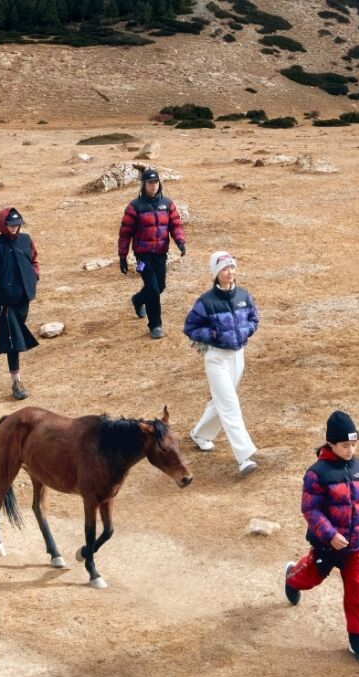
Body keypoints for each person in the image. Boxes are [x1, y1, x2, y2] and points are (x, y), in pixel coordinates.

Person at [282, 411, 359, 667]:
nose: (351, 450)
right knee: (309, 578)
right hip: (328, 545)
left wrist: (358, 533)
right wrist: (330, 534)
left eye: (354, 445)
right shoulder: (316, 473)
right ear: (331, 444)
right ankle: (292, 577)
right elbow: (310, 509)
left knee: (358, 591)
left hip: (355, 546)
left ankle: (358, 640)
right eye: (345, 445)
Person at [182, 251, 259, 477]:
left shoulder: (243, 295)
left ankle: (200, 433)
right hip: (216, 358)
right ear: (216, 273)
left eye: (232, 267)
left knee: (221, 401)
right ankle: (244, 456)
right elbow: (190, 328)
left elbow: (254, 318)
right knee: (230, 404)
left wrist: (247, 331)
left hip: (238, 355)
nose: (230, 272)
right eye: (225, 269)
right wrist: (213, 334)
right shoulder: (206, 302)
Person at [117, 167, 186, 339]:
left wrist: (180, 241)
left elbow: (175, 225)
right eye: (150, 182)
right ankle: (155, 325)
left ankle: (138, 300)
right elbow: (125, 233)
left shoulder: (168, 204)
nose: (153, 185)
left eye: (156, 182)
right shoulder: (134, 207)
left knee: (160, 287)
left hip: (161, 253)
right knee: (153, 290)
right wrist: (122, 256)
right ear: (143, 184)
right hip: (142, 255)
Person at [0, 207, 39, 400]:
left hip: (22, 298)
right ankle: (16, 383)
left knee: (12, 337)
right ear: (3, 226)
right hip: (3, 302)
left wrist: (34, 276)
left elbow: (34, 261)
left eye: (16, 225)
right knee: (14, 342)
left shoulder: (26, 240)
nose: (14, 229)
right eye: (10, 225)